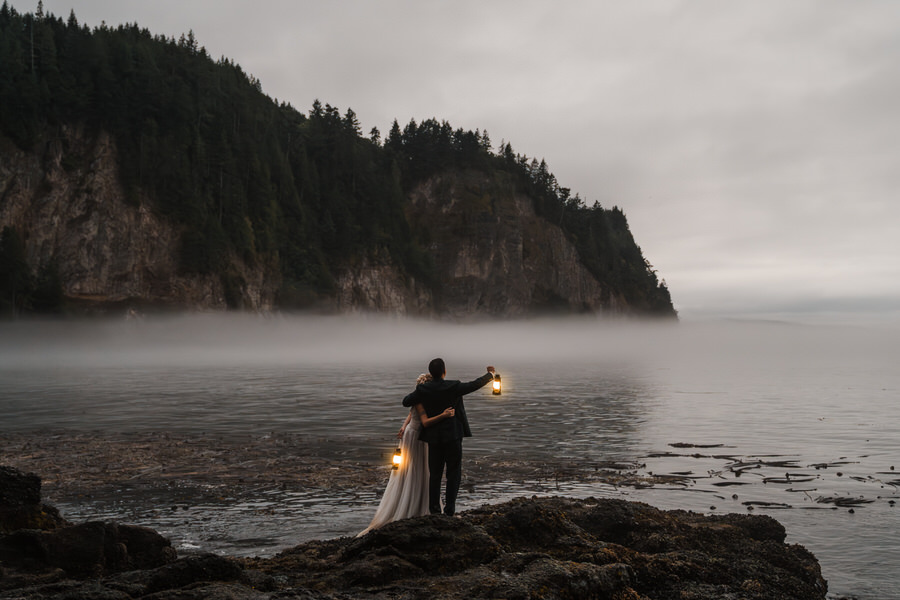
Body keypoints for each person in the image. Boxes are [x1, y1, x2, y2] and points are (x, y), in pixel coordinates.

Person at [402, 358, 495, 516]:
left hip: (433, 438)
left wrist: (421, 394)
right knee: (453, 473)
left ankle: (435, 511)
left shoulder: (424, 389)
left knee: (435, 475)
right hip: (453, 436)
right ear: (444, 371)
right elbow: (474, 385)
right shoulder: (454, 386)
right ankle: (450, 510)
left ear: (431, 373)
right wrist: (490, 375)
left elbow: (406, 402)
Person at [358, 373, 433, 536]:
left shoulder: (416, 398)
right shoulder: (423, 401)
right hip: (416, 436)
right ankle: (415, 503)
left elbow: (410, 413)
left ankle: (413, 498)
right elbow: (425, 421)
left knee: (410, 467)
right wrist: (445, 415)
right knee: (417, 467)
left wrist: (403, 425)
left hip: (410, 432)